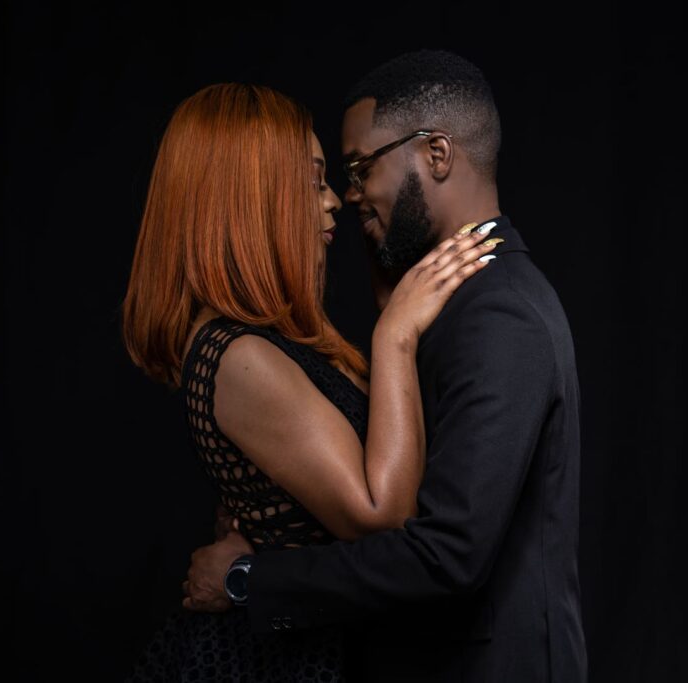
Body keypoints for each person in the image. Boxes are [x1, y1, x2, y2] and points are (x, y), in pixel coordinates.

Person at [182, 51, 588, 682]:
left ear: (436, 155)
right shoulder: (446, 301)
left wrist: (247, 579)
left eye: (358, 168)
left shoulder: (498, 314)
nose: (347, 197)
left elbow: (445, 557)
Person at [121, 83, 498, 682]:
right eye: (313, 180)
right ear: (252, 198)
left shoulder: (272, 340)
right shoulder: (241, 354)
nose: (331, 202)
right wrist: (395, 334)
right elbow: (383, 515)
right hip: (284, 663)